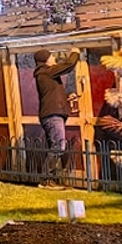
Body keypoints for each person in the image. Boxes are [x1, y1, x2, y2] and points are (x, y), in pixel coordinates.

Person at [34, 47, 80, 187]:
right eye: (52, 57)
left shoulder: (45, 74)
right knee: (59, 146)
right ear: (46, 60)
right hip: (52, 114)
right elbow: (69, 65)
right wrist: (75, 52)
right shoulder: (46, 72)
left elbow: (52, 94)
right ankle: (46, 179)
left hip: (52, 113)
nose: (54, 59)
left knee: (55, 145)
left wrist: (66, 97)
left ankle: (49, 179)